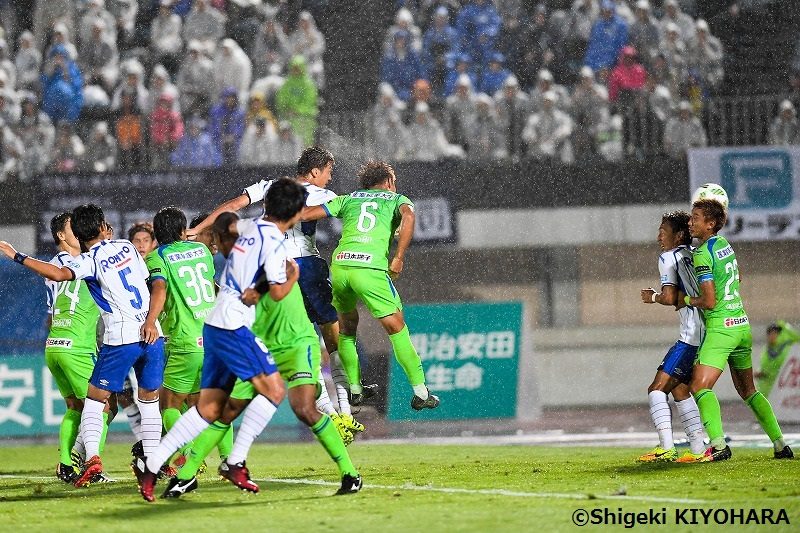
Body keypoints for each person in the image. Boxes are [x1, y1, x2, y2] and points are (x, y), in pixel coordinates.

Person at [133, 179, 360, 501]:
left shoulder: (250, 228)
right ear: (296, 213)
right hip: (247, 332)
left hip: (248, 331)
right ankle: (222, 464)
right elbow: (279, 290)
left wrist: (205, 233)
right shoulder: (273, 242)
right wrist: (287, 277)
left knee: (227, 409)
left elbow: (227, 218)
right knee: (256, 398)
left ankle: (159, 465)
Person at [187, 147, 363, 438]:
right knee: (334, 340)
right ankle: (345, 410)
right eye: (328, 172)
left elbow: (233, 205)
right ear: (315, 171)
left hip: (276, 268)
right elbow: (353, 218)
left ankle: (330, 415)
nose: (330, 179)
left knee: (305, 342)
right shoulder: (324, 196)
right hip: (307, 267)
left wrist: (199, 229)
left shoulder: (268, 186)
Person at [0, 204, 165, 486]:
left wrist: (17, 256)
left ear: (77, 232)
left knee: (93, 402)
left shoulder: (87, 262)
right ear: (104, 226)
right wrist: (150, 320)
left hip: (117, 338)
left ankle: (90, 461)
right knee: (149, 403)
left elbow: (57, 275)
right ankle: (154, 464)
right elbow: (153, 284)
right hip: (151, 333)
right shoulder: (127, 246)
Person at [301, 161, 440, 411]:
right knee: (396, 326)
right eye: (393, 181)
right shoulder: (395, 198)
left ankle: (355, 390)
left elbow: (307, 214)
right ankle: (421, 392)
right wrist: (398, 257)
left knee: (346, 328)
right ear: (388, 181)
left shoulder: (348, 199)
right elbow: (410, 216)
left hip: (341, 267)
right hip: (369, 268)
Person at [678, 199, 793, 462]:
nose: (690, 222)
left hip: (721, 328)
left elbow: (708, 301)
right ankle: (780, 444)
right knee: (749, 390)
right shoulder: (723, 245)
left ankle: (718, 446)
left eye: (696, 218)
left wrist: (684, 300)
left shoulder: (701, 254)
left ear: (710, 224)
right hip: (741, 325)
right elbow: (738, 276)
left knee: (699, 385)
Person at [142, 207, 216, 464]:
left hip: (184, 340)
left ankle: (189, 455)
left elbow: (159, 288)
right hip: (210, 338)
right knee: (198, 405)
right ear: (182, 230)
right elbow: (212, 287)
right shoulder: (203, 251)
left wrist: (150, 321)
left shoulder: (156, 257)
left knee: (169, 406)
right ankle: (227, 459)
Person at [637, 212, 706, 462]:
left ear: (678, 235)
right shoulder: (695, 253)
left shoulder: (668, 257)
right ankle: (698, 448)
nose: (658, 237)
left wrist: (653, 297)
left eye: (662, 231)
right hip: (707, 331)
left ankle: (666, 447)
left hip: (690, 336)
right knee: (680, 389)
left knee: (656, 388)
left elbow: (668, 297)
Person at [44, 213, 105, 484]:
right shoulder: (79, 262)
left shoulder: (53, 266)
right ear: (61, 236)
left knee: (75, 407)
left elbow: (50, 313)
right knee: (101, 407)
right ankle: (94, 469)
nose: (79, 232)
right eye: (73, 228)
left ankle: (67, 464)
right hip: (78, 345)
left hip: (55, 344)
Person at [756, 322, 800, 399]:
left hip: (779, 391)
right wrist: (760, 372)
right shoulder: (766, 350)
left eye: (775, 333)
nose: (773, 336)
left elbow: (782, 369)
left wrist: (784, 325)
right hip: (765, 391)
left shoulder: (786, 348)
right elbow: (763, 366)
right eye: (770, 334)